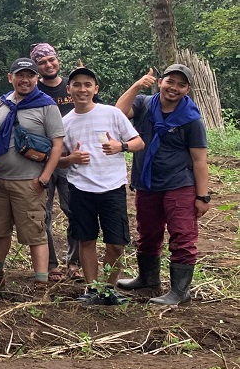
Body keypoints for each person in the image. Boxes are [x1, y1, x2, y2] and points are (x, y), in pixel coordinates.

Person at [115, 64, 210, 306]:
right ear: (160, 83)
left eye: (181, 85)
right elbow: (118, 113)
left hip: (179, 184)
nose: (174, 88)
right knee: (147, 233)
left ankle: (180, 291)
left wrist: (203, 196)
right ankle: (148, 279)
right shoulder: (145, 104)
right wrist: (137, 86)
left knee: (182, 235)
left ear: (188, 90)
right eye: (170, 81)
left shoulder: (191, 120)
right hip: (147, 184)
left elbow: (200, 160)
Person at [57, 68, 143, 304]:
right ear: (69, 89)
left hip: (112, 188)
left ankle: (109, 289)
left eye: (87, 84)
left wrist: (120, 146)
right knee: (86, 240)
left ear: (96, 89)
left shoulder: (112, 114)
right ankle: (93, 289)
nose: (82, 89)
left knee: (116, 243)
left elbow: (138, 142)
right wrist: (70, 159)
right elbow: (57, 159)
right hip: (80, 188)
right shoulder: (65, 122)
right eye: (76, 84)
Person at [0, 58, 65, 286]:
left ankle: (40, 282)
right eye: (20, 75)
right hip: (0, 179)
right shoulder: (2, 103)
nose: (25, 80)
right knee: (0, 230)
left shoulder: (46, 105)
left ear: (37, 78)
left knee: (35, 232)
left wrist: (44, 178)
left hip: (29, 180)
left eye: (30, 75)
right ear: (11, 78)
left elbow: (57, 145)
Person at [30, 43, 77, 279]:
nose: (48, 65)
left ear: (58, 60)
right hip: (43, 161)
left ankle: (75, 261)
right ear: (36, 67)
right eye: (42, 62)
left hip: (72, 159)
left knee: (74, 210)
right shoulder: (33, 91)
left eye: (51, 59)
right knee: (43, 213)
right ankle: (50, 264)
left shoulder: (73, 86)